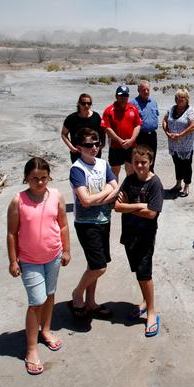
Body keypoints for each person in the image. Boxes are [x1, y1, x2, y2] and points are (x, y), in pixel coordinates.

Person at [7, 157, 71, 376]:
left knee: (50, 294)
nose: (40, 182)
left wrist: (67, 249)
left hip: (53, 255)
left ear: (49, 177)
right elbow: (11, 233)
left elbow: (63, 224)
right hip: (29, 260)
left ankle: (46, 330)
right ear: (26, 178)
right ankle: (31, 349)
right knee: (36, 301)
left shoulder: (56, 196)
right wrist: (13, 261)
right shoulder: (18, 200)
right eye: (34, 179)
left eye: (43, 178)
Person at [114, 145, 164, 337]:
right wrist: (139, 205)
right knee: (138, 271)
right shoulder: (129, 180)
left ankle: (151, 312)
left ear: (150, 162)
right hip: (129, 234)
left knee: (145, 273)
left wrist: (128, 206)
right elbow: (117, 207)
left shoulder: (155, 184)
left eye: (143, 162)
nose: (140, 166)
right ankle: (145, 302)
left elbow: (151, 213)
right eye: (136, 162)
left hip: (145, 235)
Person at [68, 128, 118, 320]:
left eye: (97, 144)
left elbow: (116, 188)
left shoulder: (103, 164)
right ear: (79, 147)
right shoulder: (77, 169)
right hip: (86, 223)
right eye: (89, 145)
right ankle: (77, 294)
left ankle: (90, 302)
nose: (94, 148)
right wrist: (105, 193)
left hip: (104, 220)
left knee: (92, 264)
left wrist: (96, 198)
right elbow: (85, 201)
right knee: (99, 267)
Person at [162, 88, 194, 198]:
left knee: (187, 165)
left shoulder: (190, 111)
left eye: (182, 98)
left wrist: (181, 134)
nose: (179, 100)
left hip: (186, 145)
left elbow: (193, 125)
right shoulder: (172, 109)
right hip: (174, 144)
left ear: (187, 99)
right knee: (177, 164)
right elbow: (164, 120)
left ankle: (186, 186)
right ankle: (178, 184)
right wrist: (167, 132)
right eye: (178, 97)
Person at [101, 85, 142, 180]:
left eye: (125, 95)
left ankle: (129, 192)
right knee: (115, 171)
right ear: (116, 96)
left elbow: (137, 125)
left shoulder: (133, 108)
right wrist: (119, 140)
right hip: (115, 146)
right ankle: (115, 192)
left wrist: (132, 140)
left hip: (131, 146)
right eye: (121, 95)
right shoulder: (109, 110)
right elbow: (106, 128)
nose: (123, 98)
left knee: (131, 170)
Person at [61, 93, 104, 163]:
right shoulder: (71, 118)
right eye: (83, 103)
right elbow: (64, 134)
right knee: (78, 172)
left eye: (89, 103)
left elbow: (102, 131)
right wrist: (71, 147)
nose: (86, 105)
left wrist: (103, 143)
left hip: (94, 152)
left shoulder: (96, 116)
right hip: (78, 153)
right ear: (79, 104)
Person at [130, 80, 159, 170]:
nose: (146, 92)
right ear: (139, 91)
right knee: (140, 158)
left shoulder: (153, 102)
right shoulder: (133, 103)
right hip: (140, 136)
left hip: (152, 135)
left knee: (151, 157)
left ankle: (150, 177)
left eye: (148, 90)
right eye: (143, 90)